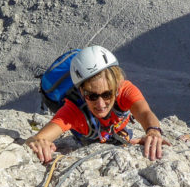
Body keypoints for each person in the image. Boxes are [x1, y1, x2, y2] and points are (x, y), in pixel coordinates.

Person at [25, 46, 169, 163]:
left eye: (107, 94)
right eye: (92, 96)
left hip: (112, 130)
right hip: (90, 136)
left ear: (117, 86)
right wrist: (39, 142)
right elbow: (37, 138)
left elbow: (144, 113)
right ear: (81, 91)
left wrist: (153, 131)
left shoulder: (125, 90)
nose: (100, 104)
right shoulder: (73, 110)